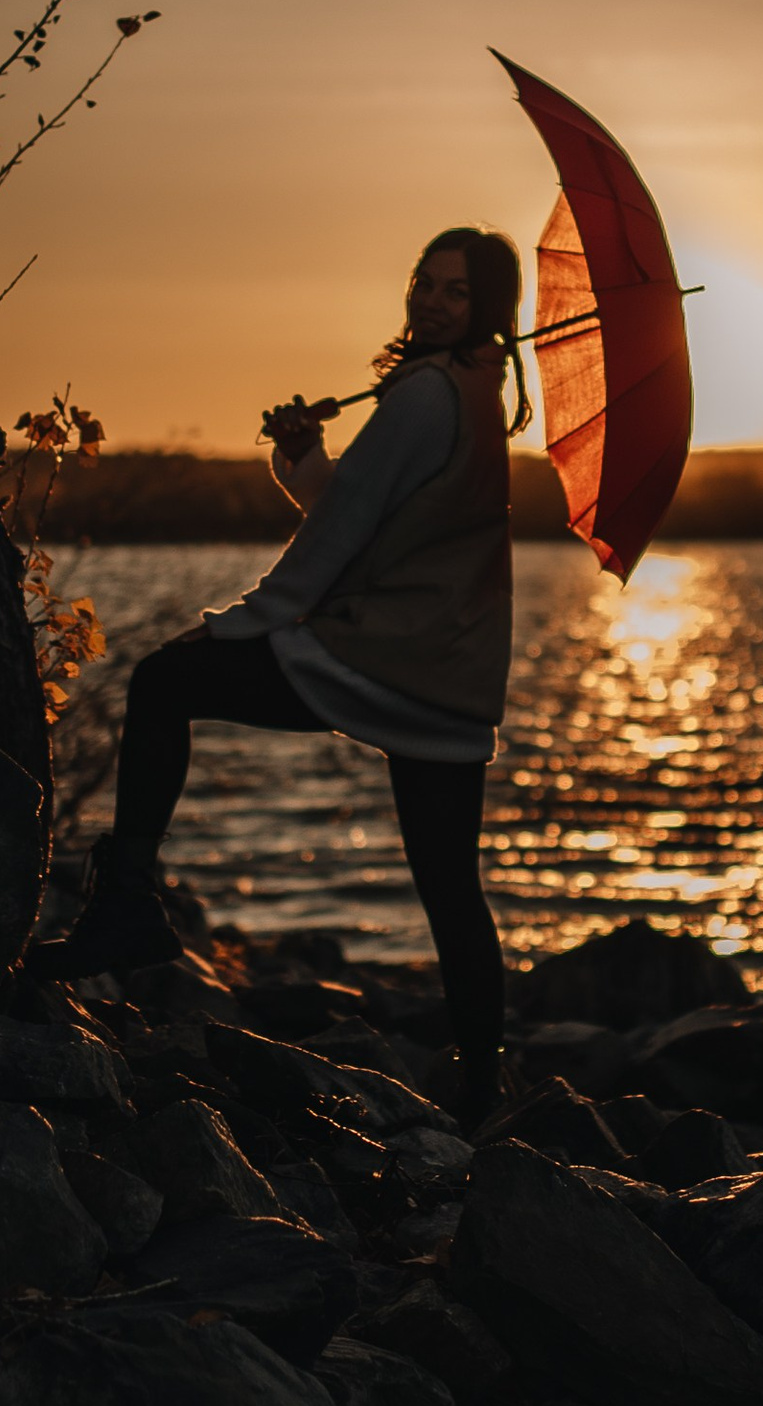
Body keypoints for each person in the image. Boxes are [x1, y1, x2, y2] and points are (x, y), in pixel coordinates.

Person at [59, 226, 525, 1124]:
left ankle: (123, 905)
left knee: (164, 681)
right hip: (452, 673)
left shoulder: (427, 393)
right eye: (425, 282)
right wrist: (306, 459)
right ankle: (481, 1090)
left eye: (456, 292)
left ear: (488, 309)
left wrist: (251, 620)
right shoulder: (474, 388)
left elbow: (338, 537)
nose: (431, 300)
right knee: (450, 885)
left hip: (384, 656)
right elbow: (369, 508)